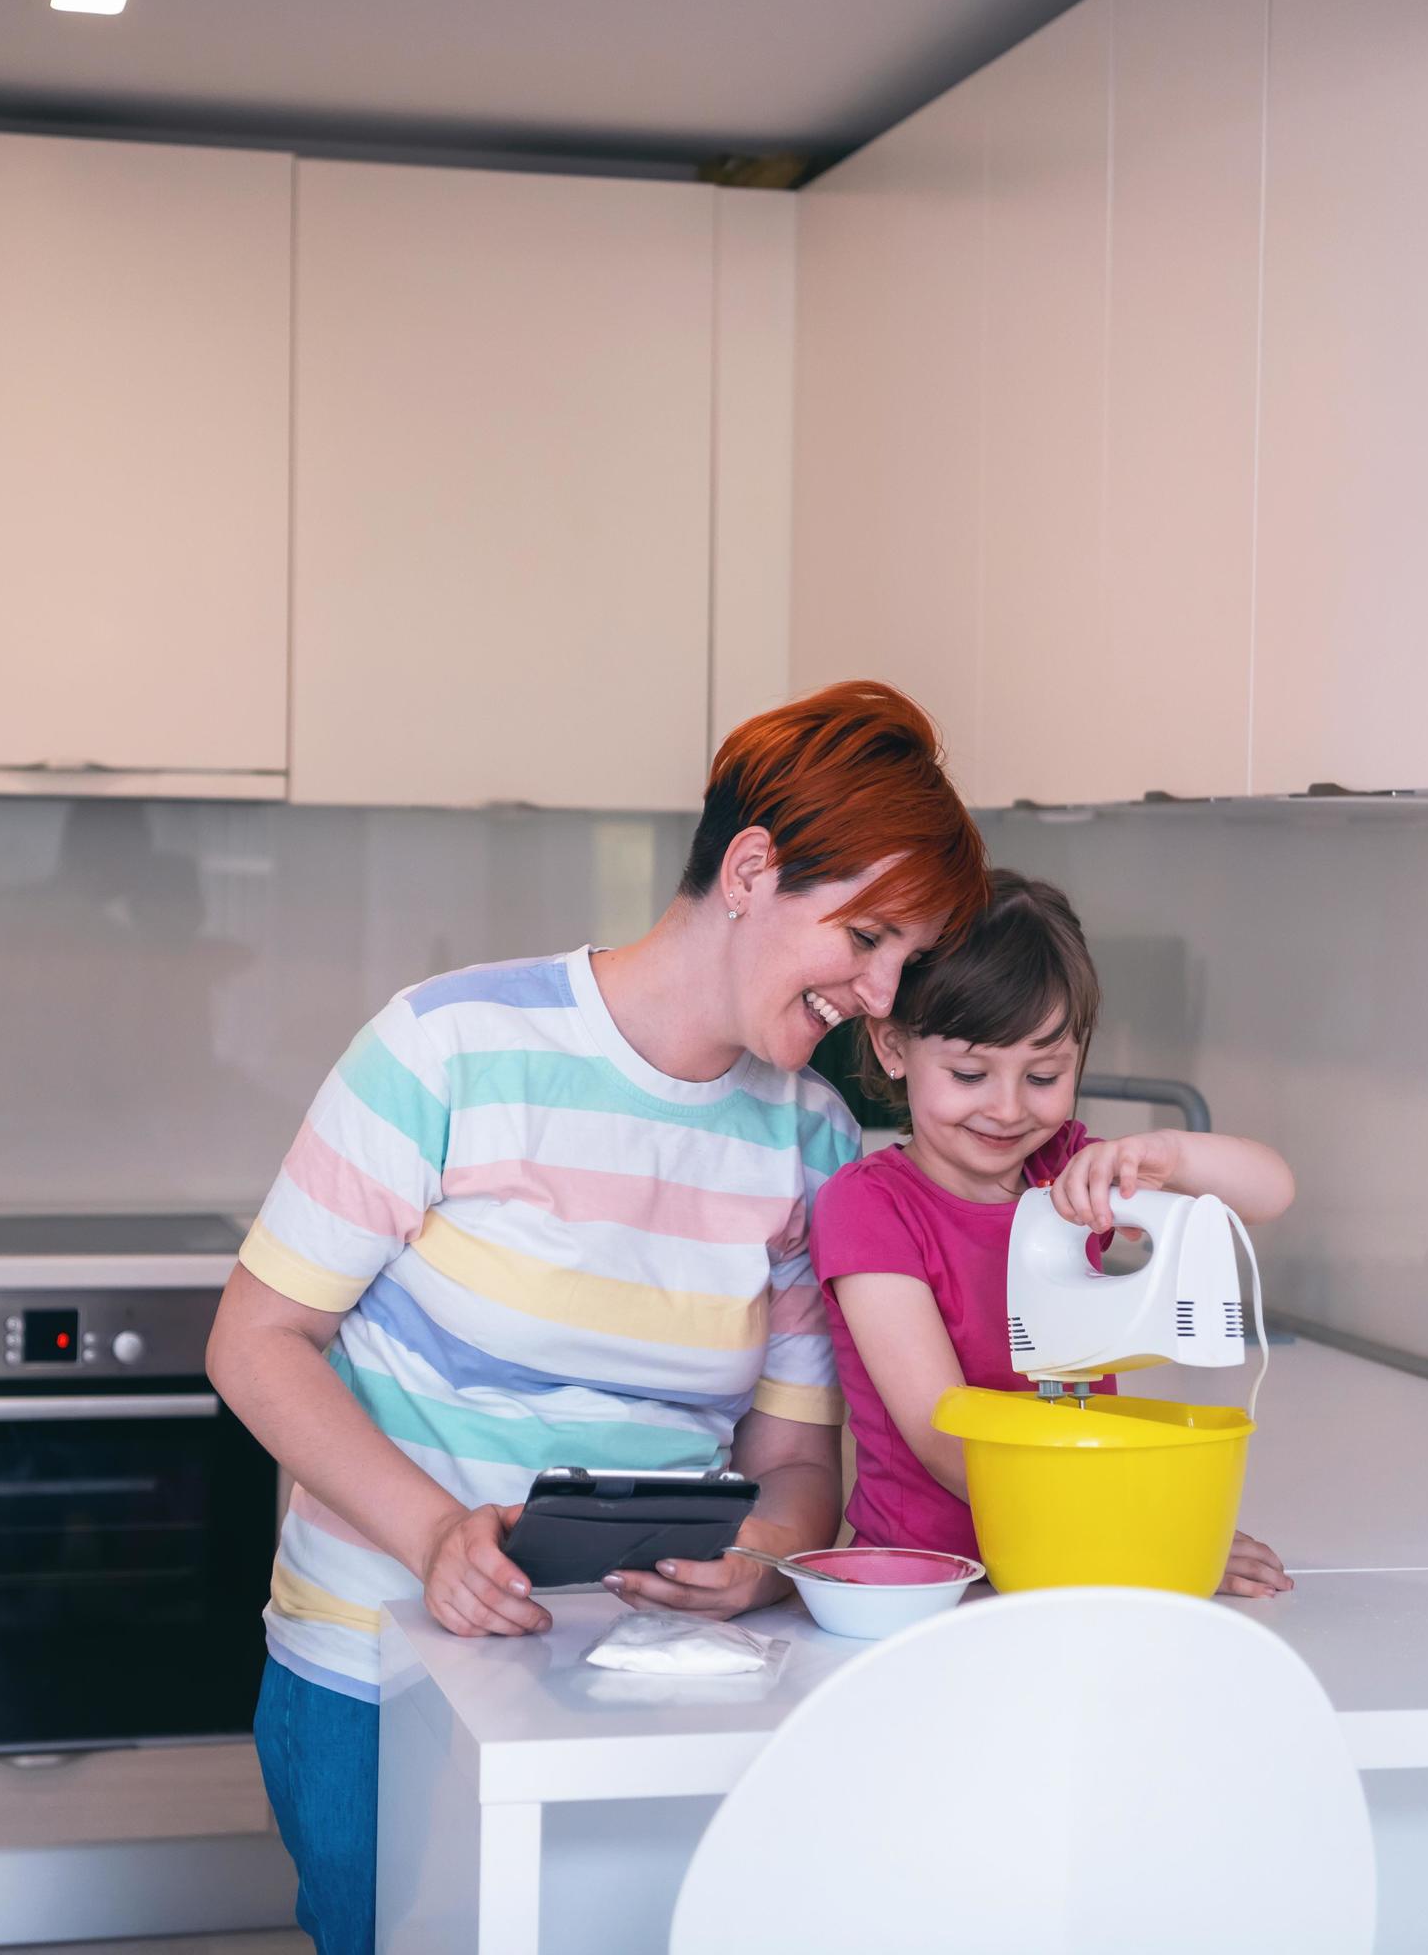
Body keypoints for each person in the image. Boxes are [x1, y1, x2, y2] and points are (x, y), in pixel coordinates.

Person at [207, 681, 989, 1954]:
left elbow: (794, 1462)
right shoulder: (451, 1047)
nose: (886, 991)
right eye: (868, 936)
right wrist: (434, 1538)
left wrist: (762, 1558)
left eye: (909, 959)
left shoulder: (813, 1139)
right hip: (382, 1672)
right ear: (751, 869)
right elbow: (254, 1341)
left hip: (646, 1694)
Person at [810, 870, 1299, 1595]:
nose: (1007, 1109)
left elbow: (1272, 1190)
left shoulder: (1068, 1174)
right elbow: (946, 1436)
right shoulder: (867, 1206)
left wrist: (1174, 1153)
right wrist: (1149, 1527)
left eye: (1043, 1075)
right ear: (892, 1048)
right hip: (927, 1580)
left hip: (1078, 1563)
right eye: (970, 1073)